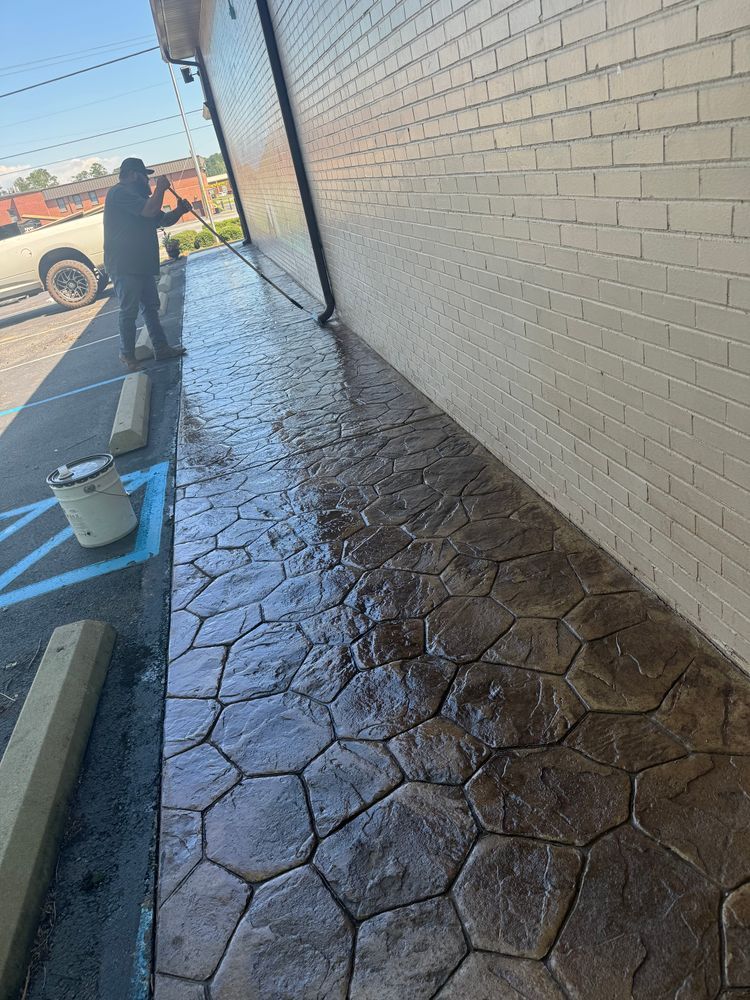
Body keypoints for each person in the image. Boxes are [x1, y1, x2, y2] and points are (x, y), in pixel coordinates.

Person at [104, 157, 191, 371]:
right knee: (129, 310)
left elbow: (160, 219)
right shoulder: (119, 193)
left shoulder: (139, 198)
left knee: (151, 308)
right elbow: (150, 211)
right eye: (145, 177)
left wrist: (179, 211)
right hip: (125, 265)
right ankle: (127, 355)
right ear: (134, 175)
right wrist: (161, 189)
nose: (148, 182)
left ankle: (161, 348)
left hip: (141, 263)